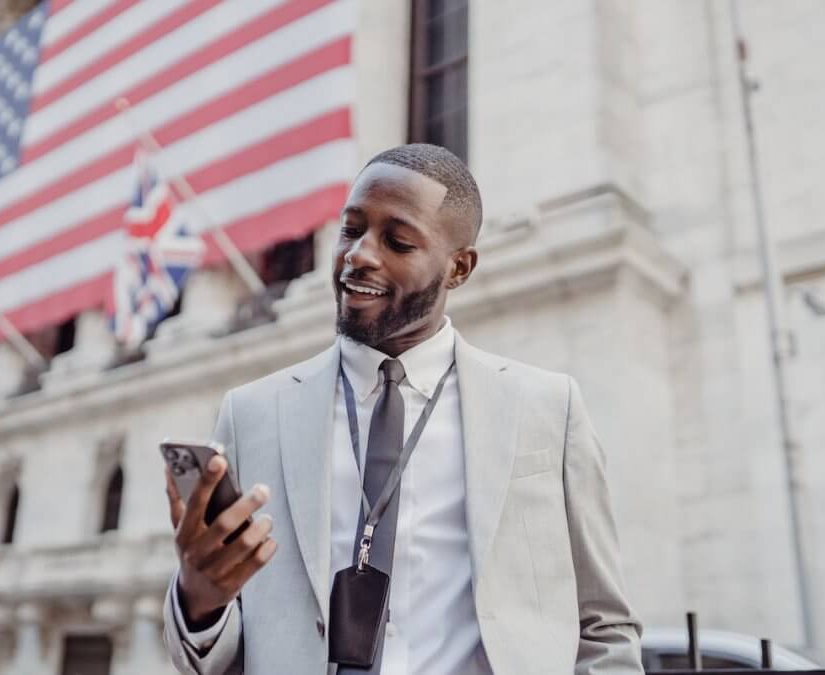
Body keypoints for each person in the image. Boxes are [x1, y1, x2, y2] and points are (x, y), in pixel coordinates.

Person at [162, 144, 643, 674]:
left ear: (459, 268)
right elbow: (213, 660)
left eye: (397, 241)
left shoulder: (549, 408)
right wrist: (199, 600)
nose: (359, 255)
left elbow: (603, 626)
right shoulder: (251, 413)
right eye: (351, 230)